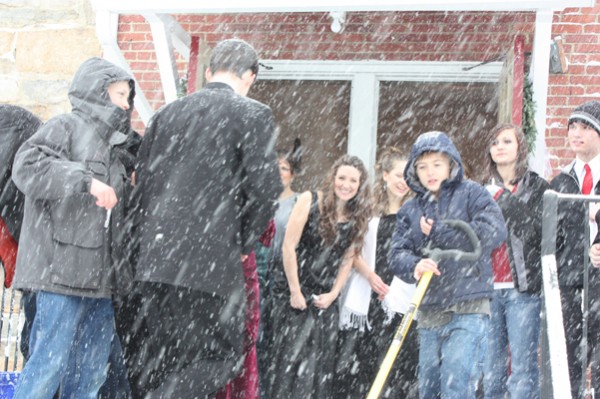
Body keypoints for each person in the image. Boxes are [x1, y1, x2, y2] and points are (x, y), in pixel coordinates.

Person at [119, 38, 281, 398]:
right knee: (220, 356)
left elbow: (142, 187)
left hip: (157, 265)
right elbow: (266, 189)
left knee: (168, 360)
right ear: (250, 76)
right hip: (210, 265)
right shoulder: (253, 114)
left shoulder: (165, 115)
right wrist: (244, 241)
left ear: (209, 72)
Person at [11, 57, 136, 399]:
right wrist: (86, 181)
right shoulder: (64, 126)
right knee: (45, 370)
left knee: (91, 375)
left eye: (128, 96)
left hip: (102, 283)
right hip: (59, 277)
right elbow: (27, 166)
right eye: (120, 94)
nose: (126, 104)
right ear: (98, 92)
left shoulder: (118, 148)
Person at [390, 131, 507, 399]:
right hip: (430, 311)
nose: (429, 172)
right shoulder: (410, 210)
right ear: (413, 171)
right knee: (429, 388)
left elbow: (494, 230)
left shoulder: (472, 193)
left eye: (437, 164)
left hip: (469, 308)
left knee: (457, 386)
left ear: (451, 164)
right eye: (422, 166)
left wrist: (441, 233)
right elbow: (397, 253)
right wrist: (415, 265)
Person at [266, 154, 371, 398]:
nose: (346, 184)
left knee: (321, 368)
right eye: (342, 177)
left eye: (353, 180)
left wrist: (334, 294)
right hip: (295, 294)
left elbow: (347, 259)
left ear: (360, 184)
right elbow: (288, 246)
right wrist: (294, 290)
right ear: (333, 177)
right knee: (290, 366)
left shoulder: (358, 214)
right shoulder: (310, 199)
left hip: (324, 298)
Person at [334, 147, 418, 398]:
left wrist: (396, 285)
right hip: (369, 294)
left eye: (407, 176)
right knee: (365, 365)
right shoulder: (368, 210)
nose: (402, 182)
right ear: (384, 175)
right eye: (397, 175)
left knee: (398, 367)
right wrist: (371, 276)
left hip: (401, 297)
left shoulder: (415, 212)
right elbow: (353, 251)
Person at [481, 123, 548, 399]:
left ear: (520, 147)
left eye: (507, 141)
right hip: (486, 289)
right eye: (495, 142)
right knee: (490, 370)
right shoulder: (478, 189)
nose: (499, 146)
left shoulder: (537, 186)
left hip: (523, 289)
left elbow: (534, 230)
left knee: (522, 370)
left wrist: (502, 198)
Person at [551, 100, 600, 398]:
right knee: (567, 359)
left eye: (584, 127)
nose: (576, 133)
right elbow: (551, 236)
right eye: (572, 127)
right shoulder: (560, 181)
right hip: (570, 283)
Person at [256, 138, 301, 397]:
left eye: (283, 168)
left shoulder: (298, 202)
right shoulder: (259, 200)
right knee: (258, 340)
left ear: (292, 173)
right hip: (259, 276)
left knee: (278, 343)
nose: (278, 172)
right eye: (274, 167)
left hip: (282, 280)